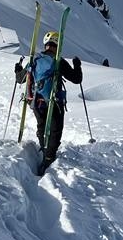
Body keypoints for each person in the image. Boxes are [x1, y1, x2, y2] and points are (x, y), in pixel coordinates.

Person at [15, 31, 82, 175]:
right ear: (57, 45)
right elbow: (77, 79)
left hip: (35, 102)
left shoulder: (35, 60)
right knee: (55, 131)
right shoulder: (58, 61)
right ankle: (49, 159)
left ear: (45, 44)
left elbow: (20, 80)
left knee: (42, 126)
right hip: (54, 102)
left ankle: (44, 150)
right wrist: (77, 65)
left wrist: (18, 70)